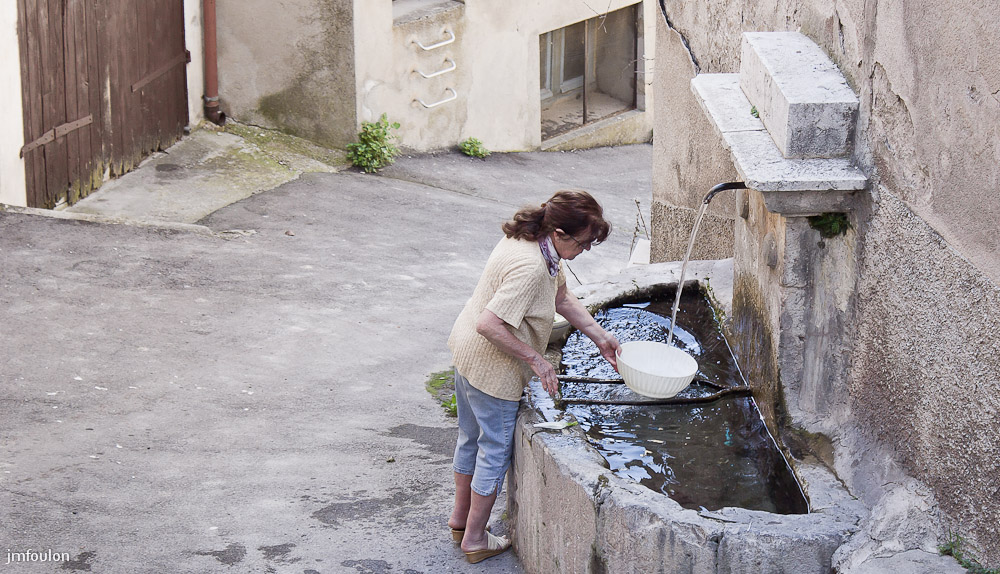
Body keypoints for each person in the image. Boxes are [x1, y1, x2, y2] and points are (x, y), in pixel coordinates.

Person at [446, 189, 622, 563]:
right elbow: (489, 324)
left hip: (466, 356)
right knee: (493, 452)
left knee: (470, 439)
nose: (586, 249)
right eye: (584, 242)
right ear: (560, 232)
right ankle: (475, 540)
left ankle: (460, 521)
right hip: (492, 370)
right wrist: (537, 360)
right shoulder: (531, 266)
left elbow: (560, 298)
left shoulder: (532, 239)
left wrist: (600, 336)